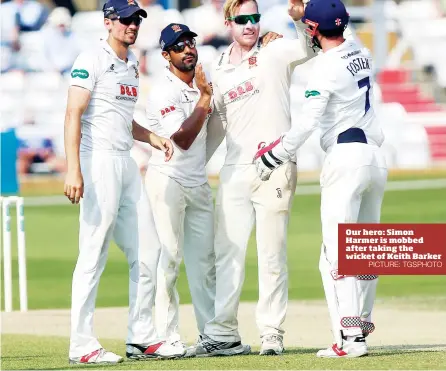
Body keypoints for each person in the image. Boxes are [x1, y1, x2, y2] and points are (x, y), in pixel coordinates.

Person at [253, 0, 387, 358]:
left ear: (313, 30)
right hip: (375, 158)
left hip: (346, 158)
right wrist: (306, 17)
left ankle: (351, 339)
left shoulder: (323, 70)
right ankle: (361, 328)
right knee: (365, 252)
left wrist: (273, 155)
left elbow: (308, 124)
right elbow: (333, 29)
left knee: (335, 256)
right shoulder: (362, 49)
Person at [64, 0, 186, 363]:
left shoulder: (132, 63)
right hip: (97, 160)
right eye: (126, 20)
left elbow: (123, 119)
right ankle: (81, 344)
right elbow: (74, 113)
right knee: (93, 251)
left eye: (137, 20)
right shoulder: (91, 58)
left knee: (149, 250)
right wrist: (74, 169)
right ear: (108, 22)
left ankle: (142, 337)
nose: (133, 26)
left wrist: (151, 138)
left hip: (125, 161)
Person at [201, 0, 317, 356]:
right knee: (227, 254)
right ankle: (223, 332)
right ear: (228, 23)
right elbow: (218, 125)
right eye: (242, 19)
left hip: (275, 163)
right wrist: (194, 165)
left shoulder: (274, 50)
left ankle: (271, 331)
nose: (250, 25)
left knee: (271, 253)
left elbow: (307, 49)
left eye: (255, 18)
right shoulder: (218, 67)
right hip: (235, 169)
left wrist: (298, 21)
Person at [143, 23, 217, 356]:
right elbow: (183, 140)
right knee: (169, 258)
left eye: (190, 42)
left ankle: (212, 334)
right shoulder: (164, 90)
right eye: (179, 45)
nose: (188, 49)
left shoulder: (202, 85)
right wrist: (204, 97)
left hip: (197, 182)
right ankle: (166, 334)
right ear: (166, 55)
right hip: (167, 180)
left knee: (204, 263)